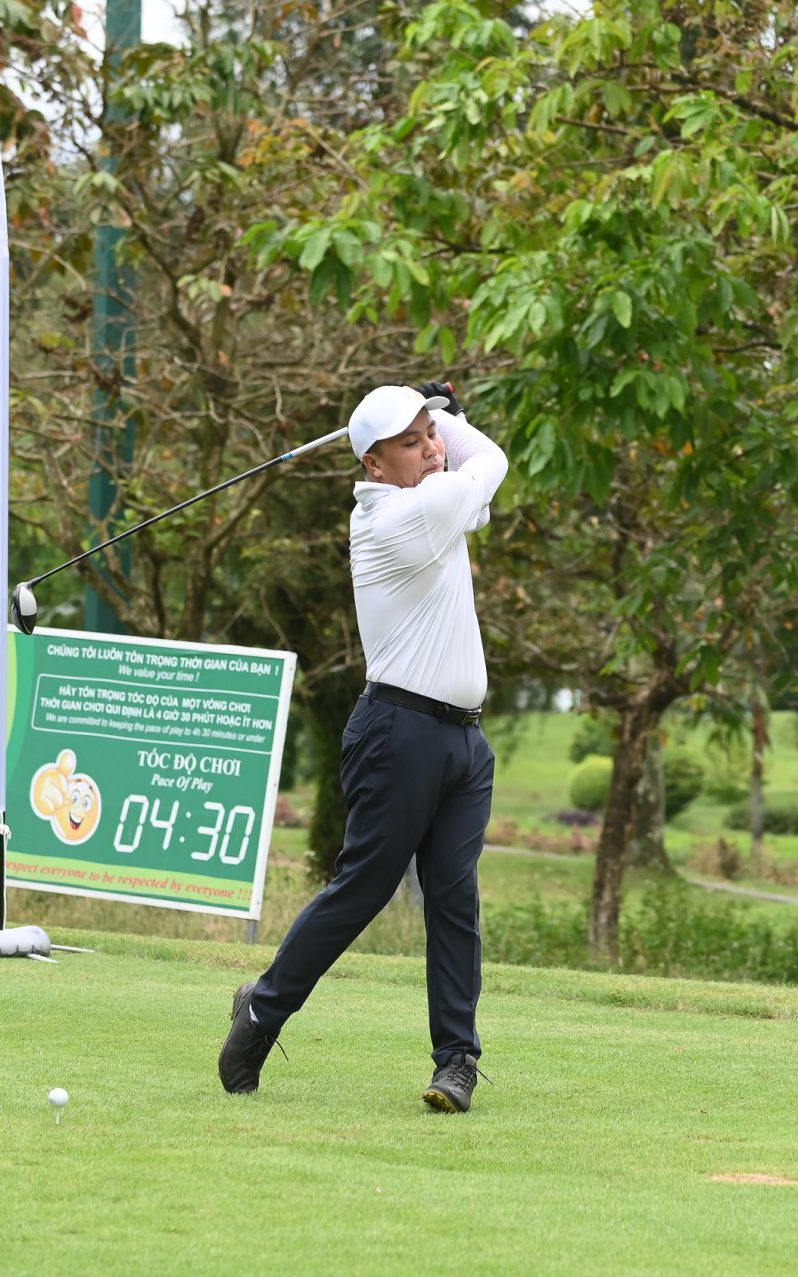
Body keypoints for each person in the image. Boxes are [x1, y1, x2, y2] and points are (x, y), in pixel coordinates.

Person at [218, 379, 507, 1113]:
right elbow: (492, 461)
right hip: (398, 733)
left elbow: (468, 464)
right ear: (374, 465)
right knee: (364, 889)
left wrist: (436, 417)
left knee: (454, 898)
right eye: (411, 443)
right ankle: (262, 1012)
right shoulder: (399, 518)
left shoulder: (431, 497)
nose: (431, 449)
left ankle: (456, 1061)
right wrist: (452, 417)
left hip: (463, 740)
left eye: (429, 436)